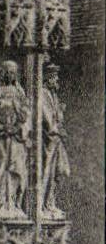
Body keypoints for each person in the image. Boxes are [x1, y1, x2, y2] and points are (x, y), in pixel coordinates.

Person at [0, 60, 31, 219]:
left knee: (16, 169)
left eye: (13, 72)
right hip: (0, 138)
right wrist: (1, 127)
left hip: (16, 138)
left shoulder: (20, 92)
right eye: (7, 71)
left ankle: (13, 203)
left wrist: (17, 128)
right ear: (2, 73)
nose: (10, 75)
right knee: (0, 168)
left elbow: (26, 116)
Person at [39, 62, 69, 220]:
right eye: (54, 77)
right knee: (46, 172)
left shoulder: (53, 95)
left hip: (55, 141)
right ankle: (42, 205)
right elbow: (47, 118)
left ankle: (49, 203)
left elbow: (57, 117)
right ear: (47, 78)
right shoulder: (43, 93)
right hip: (48, 141)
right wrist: (55, 128)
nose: (56, 80)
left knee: (56, 173)